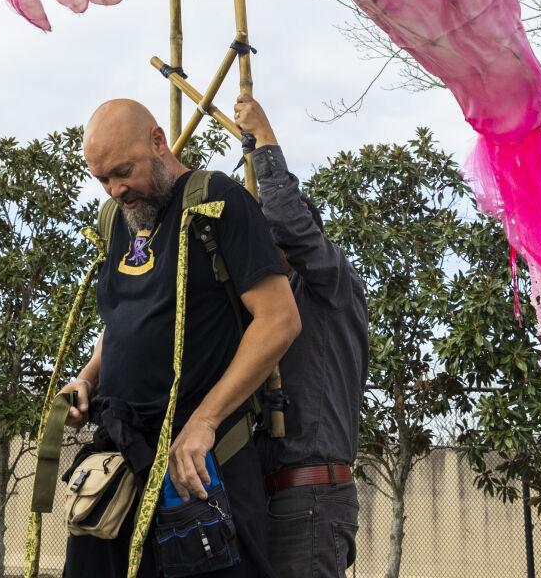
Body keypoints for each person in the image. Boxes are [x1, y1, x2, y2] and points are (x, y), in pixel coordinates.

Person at [61, 99, 301, 578]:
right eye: (103, 179)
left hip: (200, 466)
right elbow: (125, 319)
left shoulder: (219, 202)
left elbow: (279, 319)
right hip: (118, 465)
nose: (115, 189)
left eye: (123, 172)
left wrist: (205, 421)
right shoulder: (118, 221)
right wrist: (88, 378)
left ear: (157, 141)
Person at [232, 96, 365, 578]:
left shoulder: (328, 284)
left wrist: (263, 139)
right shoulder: (266, 308)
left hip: (310, 498)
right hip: (268, 497)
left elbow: (289, 223)